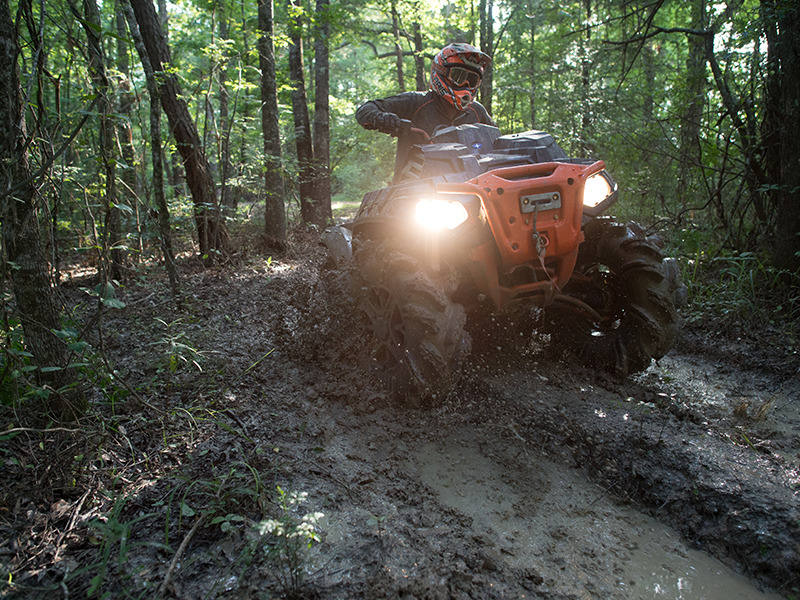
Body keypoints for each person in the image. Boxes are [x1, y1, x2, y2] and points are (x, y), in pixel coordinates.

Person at [356, 42, 496, 180]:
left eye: (472, 80)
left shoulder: (477, 111)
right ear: (441, 72)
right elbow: (365, 110)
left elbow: (498, 143)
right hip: (413, 189)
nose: (465, 84)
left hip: (468, 187)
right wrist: (384, 119)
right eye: (459, 76)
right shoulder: (415, 102)